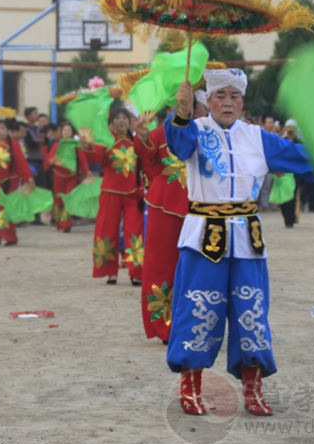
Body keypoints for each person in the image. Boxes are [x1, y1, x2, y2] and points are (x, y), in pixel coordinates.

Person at [165, 68, 313, 417]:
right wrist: (182, 113)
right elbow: (177, 143)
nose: (228, 102)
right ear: (208, 100)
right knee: (200, 308)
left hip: (247, 238)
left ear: (243, 101)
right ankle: (190, 385)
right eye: (220, 96)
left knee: (252, 313)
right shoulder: (194, 130)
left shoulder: (258, 138)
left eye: (235, 96)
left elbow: (302, 159)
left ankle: (253, 386)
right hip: (205, 236)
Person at [134, 95, 208, 343]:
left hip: (201, 208)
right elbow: (144, 154)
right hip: (163, 207)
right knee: (160, 265)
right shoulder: (158, 134)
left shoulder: (207, 132)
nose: (181, 109)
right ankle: (164, 326)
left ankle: (196, 322)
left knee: (199, 269)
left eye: (189, 104)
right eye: (176, 104)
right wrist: (142, 134)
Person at [82, 108, 143, 285]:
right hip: (110, 193)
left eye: (125, 118)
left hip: (133, 194)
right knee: (106, 231)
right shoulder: (106, 141)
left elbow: (146, 162)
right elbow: (94, 157)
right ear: (112, 122)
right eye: (118, 118)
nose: (122, 121)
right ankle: (110, 272)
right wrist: (87, 145)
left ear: (130, 121)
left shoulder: (137, 141)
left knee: (135, 233)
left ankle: (136, 272)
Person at [0, 119, 34, 246]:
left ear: (8, 130)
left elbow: (21, 163)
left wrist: (28, 179)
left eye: (3, 129)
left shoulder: (14, 144)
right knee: (2, 208)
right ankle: (11, 237)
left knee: (6, 208)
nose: (0, 131)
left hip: (12, 180)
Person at [45, 121, 88, 232]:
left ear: (72, 132)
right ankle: (60, 223)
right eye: (64, 130)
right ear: (61, 133)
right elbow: (49, 159)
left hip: (72, 176)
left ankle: (66, 223)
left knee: (69, 199)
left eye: (68, 130)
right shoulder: (56, 145)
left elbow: (83, 160)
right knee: (59, 200)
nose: (66, 132)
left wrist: (87, 172)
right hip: (58, 175)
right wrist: (51, 160)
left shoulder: (76, 145)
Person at [24, 107, 48, 197]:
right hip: (30, 159)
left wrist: (36, 140)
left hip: (39, 159)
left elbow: (45, 140)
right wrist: (39, 140)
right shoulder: (26, 129)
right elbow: (30, 144)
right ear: (28, 116)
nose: (36, 115)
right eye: (34, 114)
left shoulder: (39, 128)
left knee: (41, 186)